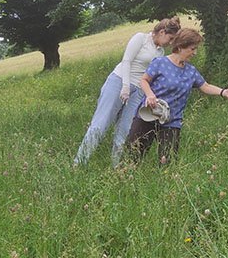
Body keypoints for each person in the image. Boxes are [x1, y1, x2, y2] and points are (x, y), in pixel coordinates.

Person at [74, 17, 181, 166]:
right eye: (170, 38)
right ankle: (79, 162)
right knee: (101, 124)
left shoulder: (160, 52)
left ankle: (116, 166)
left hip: (138, 90)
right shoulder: (141, 38)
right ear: (162, 32)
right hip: (119, 81)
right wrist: (125, 85)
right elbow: (126, 60)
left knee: (125, 130)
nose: (170, 43)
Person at [125, 28, 228, 165]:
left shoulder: (191, 71)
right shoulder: (159, 63)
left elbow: (205, 86)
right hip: (149, 114)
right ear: (180, 47)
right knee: (132, 157)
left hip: (171, 121)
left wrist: (223, 92)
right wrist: (150, 95)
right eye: (192, 49)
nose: (195, 53)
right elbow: (144, 80)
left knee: (168, 162)